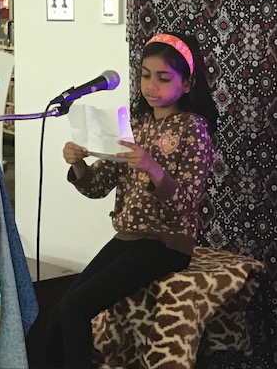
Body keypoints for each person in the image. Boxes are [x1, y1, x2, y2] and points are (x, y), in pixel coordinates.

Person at [43, 32, 218, 368]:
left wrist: (153, 169)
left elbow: (187, 203)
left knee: (75, 309)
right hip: (128, 238)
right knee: (60, 312)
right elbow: (97, 187)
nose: (151, 86)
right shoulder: (133, 126)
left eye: (163, 78)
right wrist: (78, 163)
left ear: (186, 84)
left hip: (166, 243)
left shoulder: (193, 129)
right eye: (145, 75)